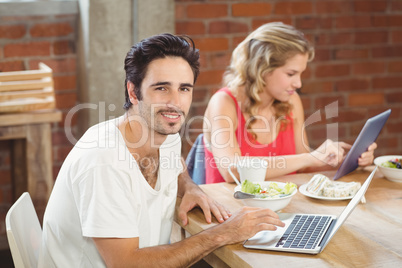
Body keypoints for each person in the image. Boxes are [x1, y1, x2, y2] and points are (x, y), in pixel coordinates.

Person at [38, 33, 285, 267]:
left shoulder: (165, 136)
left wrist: (189, 186)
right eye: (161, 88)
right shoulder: (105, 159)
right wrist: (223, 233)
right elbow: (126, 263)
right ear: (133, 92)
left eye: (184, 89)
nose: (175, 102)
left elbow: (174, 165)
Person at [203, 22, 377, 184]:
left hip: (284, 206)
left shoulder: (291, 101)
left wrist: (347, 161)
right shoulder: (224, 102)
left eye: (300, 74)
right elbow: (232, 170)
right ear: (262, 68)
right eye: (291, 74)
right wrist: (310, 157)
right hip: (231, 211)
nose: (298, 84)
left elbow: (303, 166)